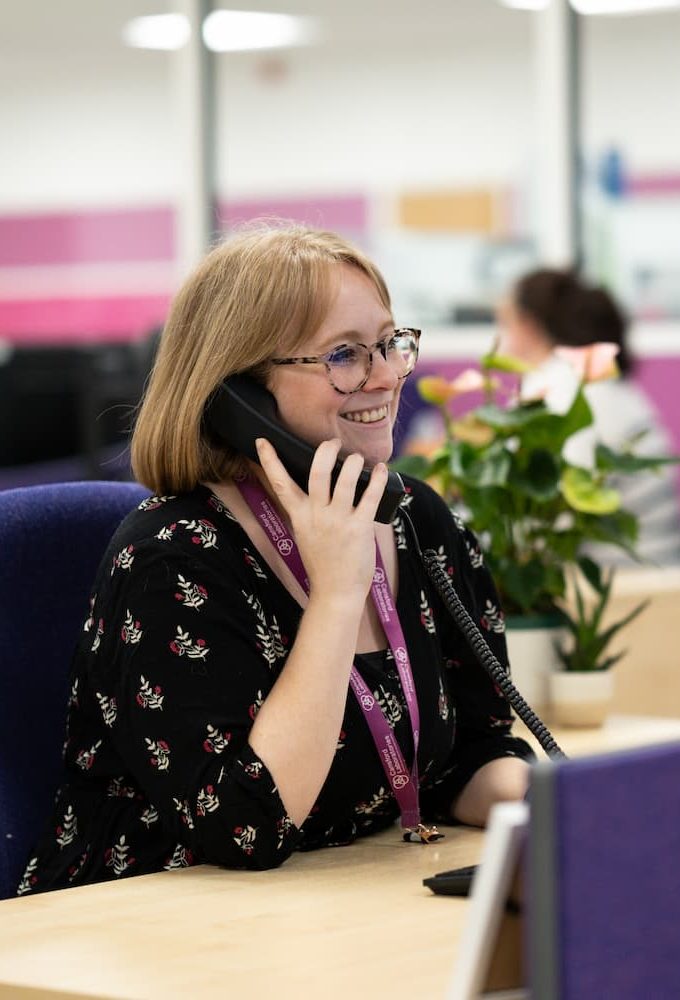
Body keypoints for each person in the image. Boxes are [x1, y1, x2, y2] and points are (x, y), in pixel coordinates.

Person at [17, 224, 532, 896]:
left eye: (389, 343)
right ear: (239, 392)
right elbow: (245, 827)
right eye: (343, 354)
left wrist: (553, 801)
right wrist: (338, 595)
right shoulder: (173, 559)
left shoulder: (414, 521)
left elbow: (468, 751)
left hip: (329, 904)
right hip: (148, 931)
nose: (384, 377)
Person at [498, 268, 680, 566]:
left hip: (619, 584)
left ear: (528, 327)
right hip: (660, 568)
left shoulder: (559, 393)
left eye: (505, 323)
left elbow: (545, 528)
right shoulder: (610, 384)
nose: (502, 340)